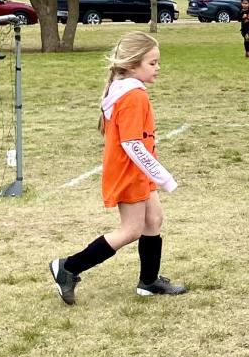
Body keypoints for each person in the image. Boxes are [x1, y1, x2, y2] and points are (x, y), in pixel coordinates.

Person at [49, 33, 186, 305]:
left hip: (138, 171)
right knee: (131, 230)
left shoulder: (126, 89)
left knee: (153, 220)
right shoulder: (133, 96)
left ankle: (149, 282)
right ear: (132, 65)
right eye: (152, 63)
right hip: (130, 171)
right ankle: (68, 267)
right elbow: (133, 144)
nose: (158, 68)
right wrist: (164, 177)